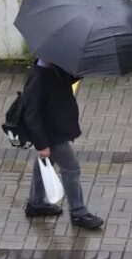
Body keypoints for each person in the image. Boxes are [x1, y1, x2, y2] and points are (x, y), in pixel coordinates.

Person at [21, 58, 104, 229]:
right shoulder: (38, 80)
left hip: (56, 129)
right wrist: (42, 145)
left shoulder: (53, 69)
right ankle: (79, 213)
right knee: (71, 169)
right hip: (52, 135)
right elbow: (31, 116)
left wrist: (79, 70)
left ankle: (35, 204)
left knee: (44, 165)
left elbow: (64, 82)